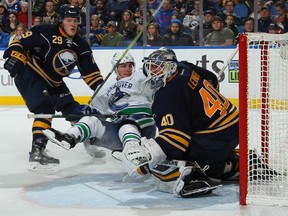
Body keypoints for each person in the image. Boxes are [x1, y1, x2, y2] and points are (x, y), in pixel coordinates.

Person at [122, 47, 239, 197]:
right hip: (234, 124)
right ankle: (237, 162)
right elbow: (212, 78)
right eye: (151, 66)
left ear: (171, 67)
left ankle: (193, 178)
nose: (153, 71)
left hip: (215, 138)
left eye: (158, 67)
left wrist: (149, 157)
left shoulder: (167, 94)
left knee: (163, 167)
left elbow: (177, 141)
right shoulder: (184, 67)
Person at [2, 5, 103, 170]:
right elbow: (19, 41)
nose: (73, 24)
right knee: (45, 108)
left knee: (73, 109)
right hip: (30, 73)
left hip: (53, 81)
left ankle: (87, 139)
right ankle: (37, 153)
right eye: (69, 20)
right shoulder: (46, 31)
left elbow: (91, 75)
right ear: (60, 21)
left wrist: (105, 92)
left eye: (75, 21)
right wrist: (16, 56)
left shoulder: (81, 44)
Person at [42, 51, 156, 174]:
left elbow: (158, 75)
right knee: (91, 120)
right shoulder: (104, 87)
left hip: (143, 126)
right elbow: (100, 114)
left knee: (127, 125)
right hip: (119, 134)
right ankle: (69, 138)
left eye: (130, 65)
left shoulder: (141, 76)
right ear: (115, 68)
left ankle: (134, 152)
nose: (128, 69)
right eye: (123, 66)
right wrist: (86, 113)